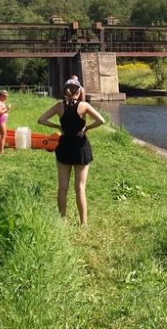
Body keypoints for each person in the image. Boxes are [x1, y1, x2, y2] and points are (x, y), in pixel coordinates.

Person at [37, 78, 105, 226]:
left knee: (62, 187)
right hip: (81, 148)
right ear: (79, 91)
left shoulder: (58, 106)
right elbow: (101, 121)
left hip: (65, 147)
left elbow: (41, 120)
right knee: (80, 188)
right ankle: (83, 224)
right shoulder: (84, 106)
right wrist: (86, 128)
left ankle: (62, 220)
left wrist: (57, 126)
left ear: (65, 91)